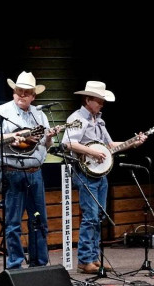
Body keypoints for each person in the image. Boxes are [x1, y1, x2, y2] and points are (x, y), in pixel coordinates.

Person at [62, 81, 147, 274]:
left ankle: (94, 257)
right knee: (90, 216)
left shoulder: (99, 121)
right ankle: (85, 260)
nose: (102, 104)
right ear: (88, 99)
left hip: (100, 173)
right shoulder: (77, 118)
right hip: (86, 172)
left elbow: (109, 146)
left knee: (98, 216)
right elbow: (68, 143)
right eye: (99, 100)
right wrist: (91, 152)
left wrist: (133, 142)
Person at [0, 71, 58, 270]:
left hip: (35, 172)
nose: (22, 95)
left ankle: (39, 263)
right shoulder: (2, 112)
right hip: (12, 170)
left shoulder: (40, 114)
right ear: (13, 92)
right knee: (13, 223)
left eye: (27, 93)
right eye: (19, 91)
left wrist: (50, 136)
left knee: (39, 221)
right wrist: (14, 136)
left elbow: (46, 144)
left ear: (33, 96)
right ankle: (15, 265)